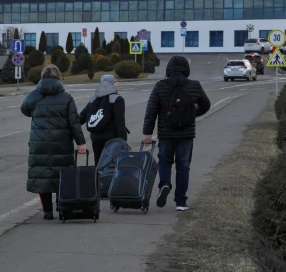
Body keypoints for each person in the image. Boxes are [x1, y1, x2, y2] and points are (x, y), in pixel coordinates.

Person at [143, 56, 210, 211]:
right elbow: (206, 105)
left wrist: (147, 132)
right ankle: (181, 202)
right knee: (183, 167)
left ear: (169, 69)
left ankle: (165, 184)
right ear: (186, 69)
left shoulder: (160, 86)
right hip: (186, 134)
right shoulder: (194, 85)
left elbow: (151, 110)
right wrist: (192, 114)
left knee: (164, 161)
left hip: (165, 134)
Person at [21, 64, 87, 220]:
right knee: (62, 175)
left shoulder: (34, 95)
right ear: (58, 77)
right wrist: (81, 143)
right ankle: (61, 206)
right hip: (61, 142)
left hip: (39, 142)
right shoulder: (66, 97)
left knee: (41, 176)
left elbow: (24, 109)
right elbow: (74, 123)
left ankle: (47, 211)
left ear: (42, 77)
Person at [79, 74, 128, 165]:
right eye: (115, 82)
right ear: (109, 84)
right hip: (111, 139)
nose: (118, 84)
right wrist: (123, 141)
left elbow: (81, 117)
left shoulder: (93, 99)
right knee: (112, 166)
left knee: (99, 164)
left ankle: (98, 179)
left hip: (96, 138)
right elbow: (119, 122)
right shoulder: (117, 99)